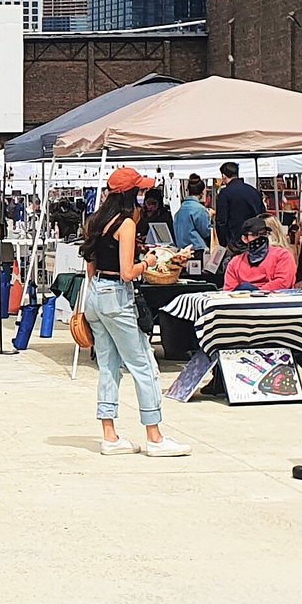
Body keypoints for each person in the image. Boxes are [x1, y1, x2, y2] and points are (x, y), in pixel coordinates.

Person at [79, 167, 192, 457]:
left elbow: (91, 266)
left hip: (96, 295)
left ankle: (110, 435)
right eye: (139, 191)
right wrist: (150, 262)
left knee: (108, 366)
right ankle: (154, 436)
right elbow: (128, 272)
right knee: (144, 365)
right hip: (117, 295)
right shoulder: (126, 224)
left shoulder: (96, 222)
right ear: (131, 194)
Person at [223, 215, 297, 292]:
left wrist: (258, 292)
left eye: (263, 233)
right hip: (243, 302)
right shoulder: (235, 263)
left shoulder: (283, 256)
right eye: (255, 235)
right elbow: (229, 290)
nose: (260, 238)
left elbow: (283, 283)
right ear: (244, 239)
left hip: (274, 301)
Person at [214, 162, 266, 248]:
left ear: (223, 176)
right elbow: (262, 214)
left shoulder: (225, 193)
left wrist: (223, 243)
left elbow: (221, 221)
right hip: (255, 238)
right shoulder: (253, 191)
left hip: (235, 241)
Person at [173, 175, 212, 254]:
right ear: (202, 192)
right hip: (197, 249)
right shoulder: (200, 209)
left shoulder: (180, 210)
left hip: (182, 249)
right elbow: (206, 232)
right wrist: (210, 217)